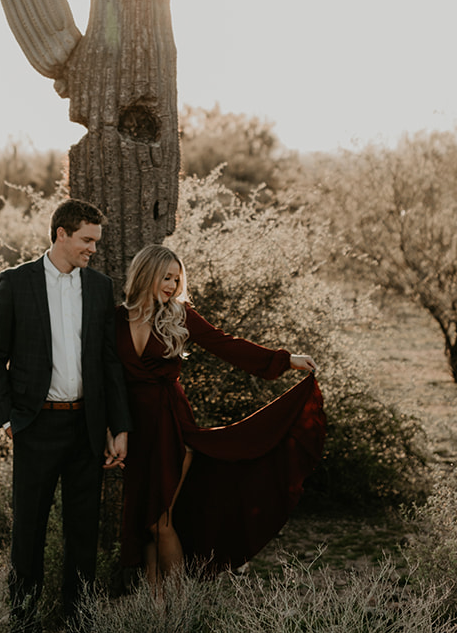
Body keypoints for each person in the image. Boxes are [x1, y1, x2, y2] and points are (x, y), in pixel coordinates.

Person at [117, 242, 326, 581]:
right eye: (166, 278)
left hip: (173, 425)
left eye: (176, 279)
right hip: (134, 431)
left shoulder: (180, 315)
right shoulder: (116, 318)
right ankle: (154, 610)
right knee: (147, 523)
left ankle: (179, 611)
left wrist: (285, 360)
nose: (172, 286)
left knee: (161, 520)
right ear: (146, 274)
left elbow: (225, 344)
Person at [0, 198, 131, 633]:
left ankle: (79, 629)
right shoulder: (16, 282)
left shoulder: (100, 286)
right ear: (61, 234)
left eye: (96, 242)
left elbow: (108, 362)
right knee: (28, 533)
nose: (93, 249)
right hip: (36, 427)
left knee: (83, 534)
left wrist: (118, 426)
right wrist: (7, 417)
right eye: (86, 240)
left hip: (86, 426)